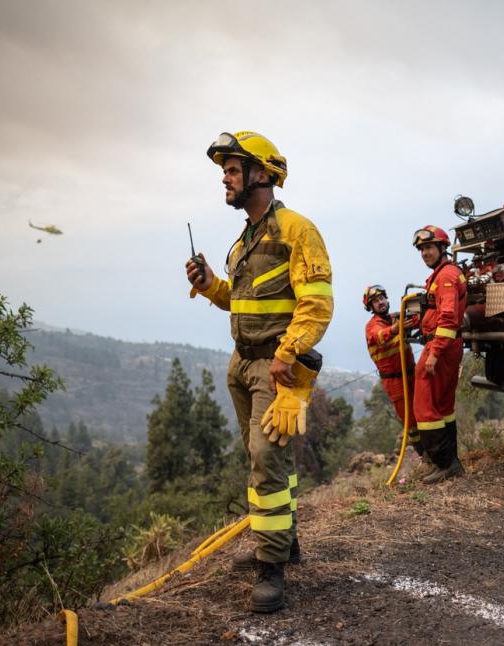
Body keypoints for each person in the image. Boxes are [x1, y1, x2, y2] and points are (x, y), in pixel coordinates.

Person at [186, 131, 333, 613]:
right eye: (224, 172)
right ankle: (284, 543)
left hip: (276, 366)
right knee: (269, 457)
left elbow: (316, 305)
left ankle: (271, 568)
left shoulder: (297, 230)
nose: (225, 179)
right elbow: (242, 300)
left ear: (262, 174)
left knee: (265, 460)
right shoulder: (244, 240)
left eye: (232, 170)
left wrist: (286, 357)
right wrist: (211, 285)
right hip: (242, 364)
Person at [411, 225, 467, 484]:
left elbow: (447, 317)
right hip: (446, 346)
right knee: (444, 406)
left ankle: (443, 463)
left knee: (424, 406)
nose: (424, 253)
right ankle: (451, 462)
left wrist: (433, 353)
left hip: (440, 347)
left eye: (429, 248)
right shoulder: (444, 274)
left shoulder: (445, 277)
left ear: (442, 248)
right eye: (421, 249)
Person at [362, 285, 427, 471]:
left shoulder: (395, 318)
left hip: (412, 374)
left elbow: (414, 321)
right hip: (395, 382)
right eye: (375, 300)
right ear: (370, 306)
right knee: (411, 422)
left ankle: (434, 454)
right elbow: (380, 336)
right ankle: (425, 458)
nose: (380, 302)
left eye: (382, 298)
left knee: (424, 412)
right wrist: (397, 328)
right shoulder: (372, 326)